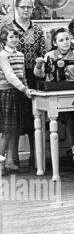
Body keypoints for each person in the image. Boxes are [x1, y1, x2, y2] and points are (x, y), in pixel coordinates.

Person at [33, 28, 74, 170]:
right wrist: (39, 65)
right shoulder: (49, 55)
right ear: (55, 42)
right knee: (68, 119)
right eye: (61, 40)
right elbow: (40, 75)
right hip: (57, 94)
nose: (65, 42)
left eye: (67, 39)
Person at [0, 25, 34, 173]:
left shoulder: (20, 55)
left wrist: (26, 89)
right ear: (4, 39)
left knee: (15, 129)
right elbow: (10, 76)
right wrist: (24, 88)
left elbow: (22, 75)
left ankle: (9, 162)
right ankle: (1, 162)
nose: (14, 40)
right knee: (7, 131)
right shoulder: (2, 55)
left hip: (19, 92)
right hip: (7, 93)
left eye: (17, 37)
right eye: (11, 37)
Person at [3, 0, 45, 92]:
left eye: (29, 7)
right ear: (17, 8)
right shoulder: (8, 29)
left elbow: (42, 52)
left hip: (34, 74)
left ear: (33, 8)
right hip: (14, 74)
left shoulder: (38, 29)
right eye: (22, 7)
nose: (26, 10)